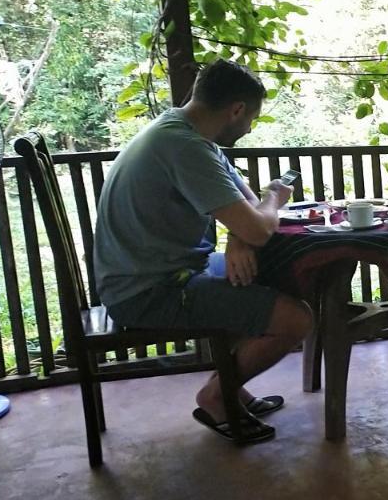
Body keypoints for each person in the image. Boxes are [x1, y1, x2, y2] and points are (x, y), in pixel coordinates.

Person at [94, 60, 313, 444]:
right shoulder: (185, 147)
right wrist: (275, 197)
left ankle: (230, 385)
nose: (248, 129)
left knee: (257, 273)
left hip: (162, 273)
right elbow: (260, 223)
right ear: (237, 110)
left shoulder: (184, 132)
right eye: (251, 119)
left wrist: (238, 238)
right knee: (296, 321)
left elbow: (244, 209)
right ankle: (215, 396)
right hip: (149, 291)